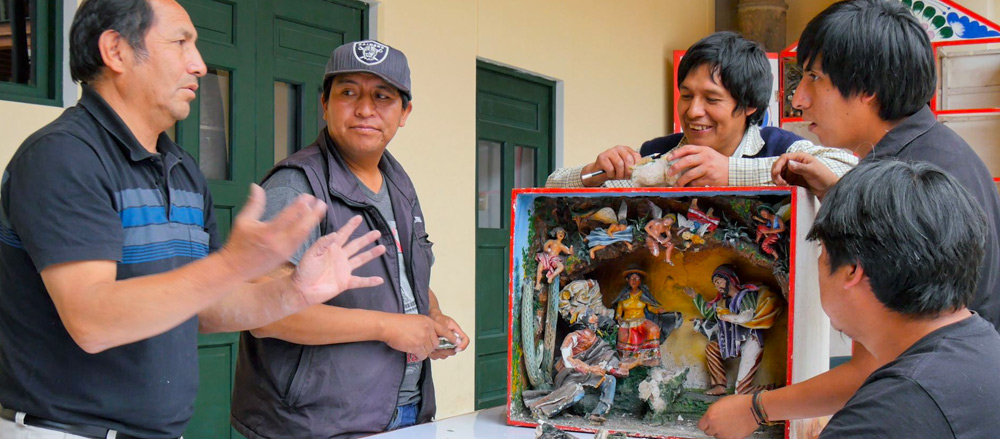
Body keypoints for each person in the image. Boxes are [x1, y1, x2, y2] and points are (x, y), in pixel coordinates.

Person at [0, 1, 386, 438]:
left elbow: (204, 307)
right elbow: (93, 322)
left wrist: (294, 292)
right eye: (181, 42)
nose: (199, 65)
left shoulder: (182, 169)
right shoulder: (63, 156)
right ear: (116, 51)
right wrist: (233, 263)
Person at [705, 1, 1000, 437]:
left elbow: (872, 365)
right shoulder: (934, 155)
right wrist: (839, 195)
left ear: (867, 88)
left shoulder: (909, 178)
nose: (798, 99)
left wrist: (754, 408)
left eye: (813, 77)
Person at [230, 40, 470, 439]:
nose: (365, 110)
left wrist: (432, 316)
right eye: (348, 93)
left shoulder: (398, 184)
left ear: (405, 112)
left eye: (382, 97)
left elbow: (403, 275)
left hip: (404, 410)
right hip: (315, 424)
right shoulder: (296, 187)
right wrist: (387, 327)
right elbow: (265, 315)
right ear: (325, 104)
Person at [715, 160, 1000, 438]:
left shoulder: (883, 418)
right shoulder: (984, 348)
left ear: (851, 270)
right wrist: (757, 408)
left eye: (822, 251)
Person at [545, 31, 856, 189]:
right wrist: (594, 173)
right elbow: (550, 186)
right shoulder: (658, 154)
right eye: (686, 95)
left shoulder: (779, 146)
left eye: (712, 99)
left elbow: (849, 171)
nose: (693, 111)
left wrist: (728, 172)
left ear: (749, 104)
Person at [523, 311, 640, 425]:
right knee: (577, 391)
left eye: (596, 322)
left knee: (610, 379)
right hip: (570, 375)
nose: (595, 323)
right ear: (586, 323)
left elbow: (609, 365)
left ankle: (598, 413)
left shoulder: (598, 343)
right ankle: (542, 410)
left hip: (588, 375)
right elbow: (568, 361)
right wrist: (590, 368)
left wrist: (633, 363)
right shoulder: (574, 337)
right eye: (593, 321)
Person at [684, 265, 782, 396]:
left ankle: (775, 388)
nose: (717, 286)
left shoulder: (746, 295)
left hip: (750, 341)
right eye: (715, 284)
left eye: (718, 282)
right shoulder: (723, 302)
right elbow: (711, 314)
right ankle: (719, 385)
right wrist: (695, 297)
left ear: (728, 279)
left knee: (741, 391)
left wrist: (728, 316)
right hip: (732, 342)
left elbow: (746, 317)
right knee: (712, 348)